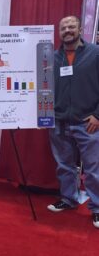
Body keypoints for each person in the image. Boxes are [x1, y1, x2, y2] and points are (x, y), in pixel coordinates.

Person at [47, 15, 99, 229]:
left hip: (87, 123)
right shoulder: (52, 57)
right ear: (59, 32)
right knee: (64, 166)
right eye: (63, 27)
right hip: (58, 122)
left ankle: (97, 208)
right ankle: (69, 199)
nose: (67, 30)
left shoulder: (95, 53)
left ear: (79, 29)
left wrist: (98, 115)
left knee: (94, 169)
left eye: (71, 26)